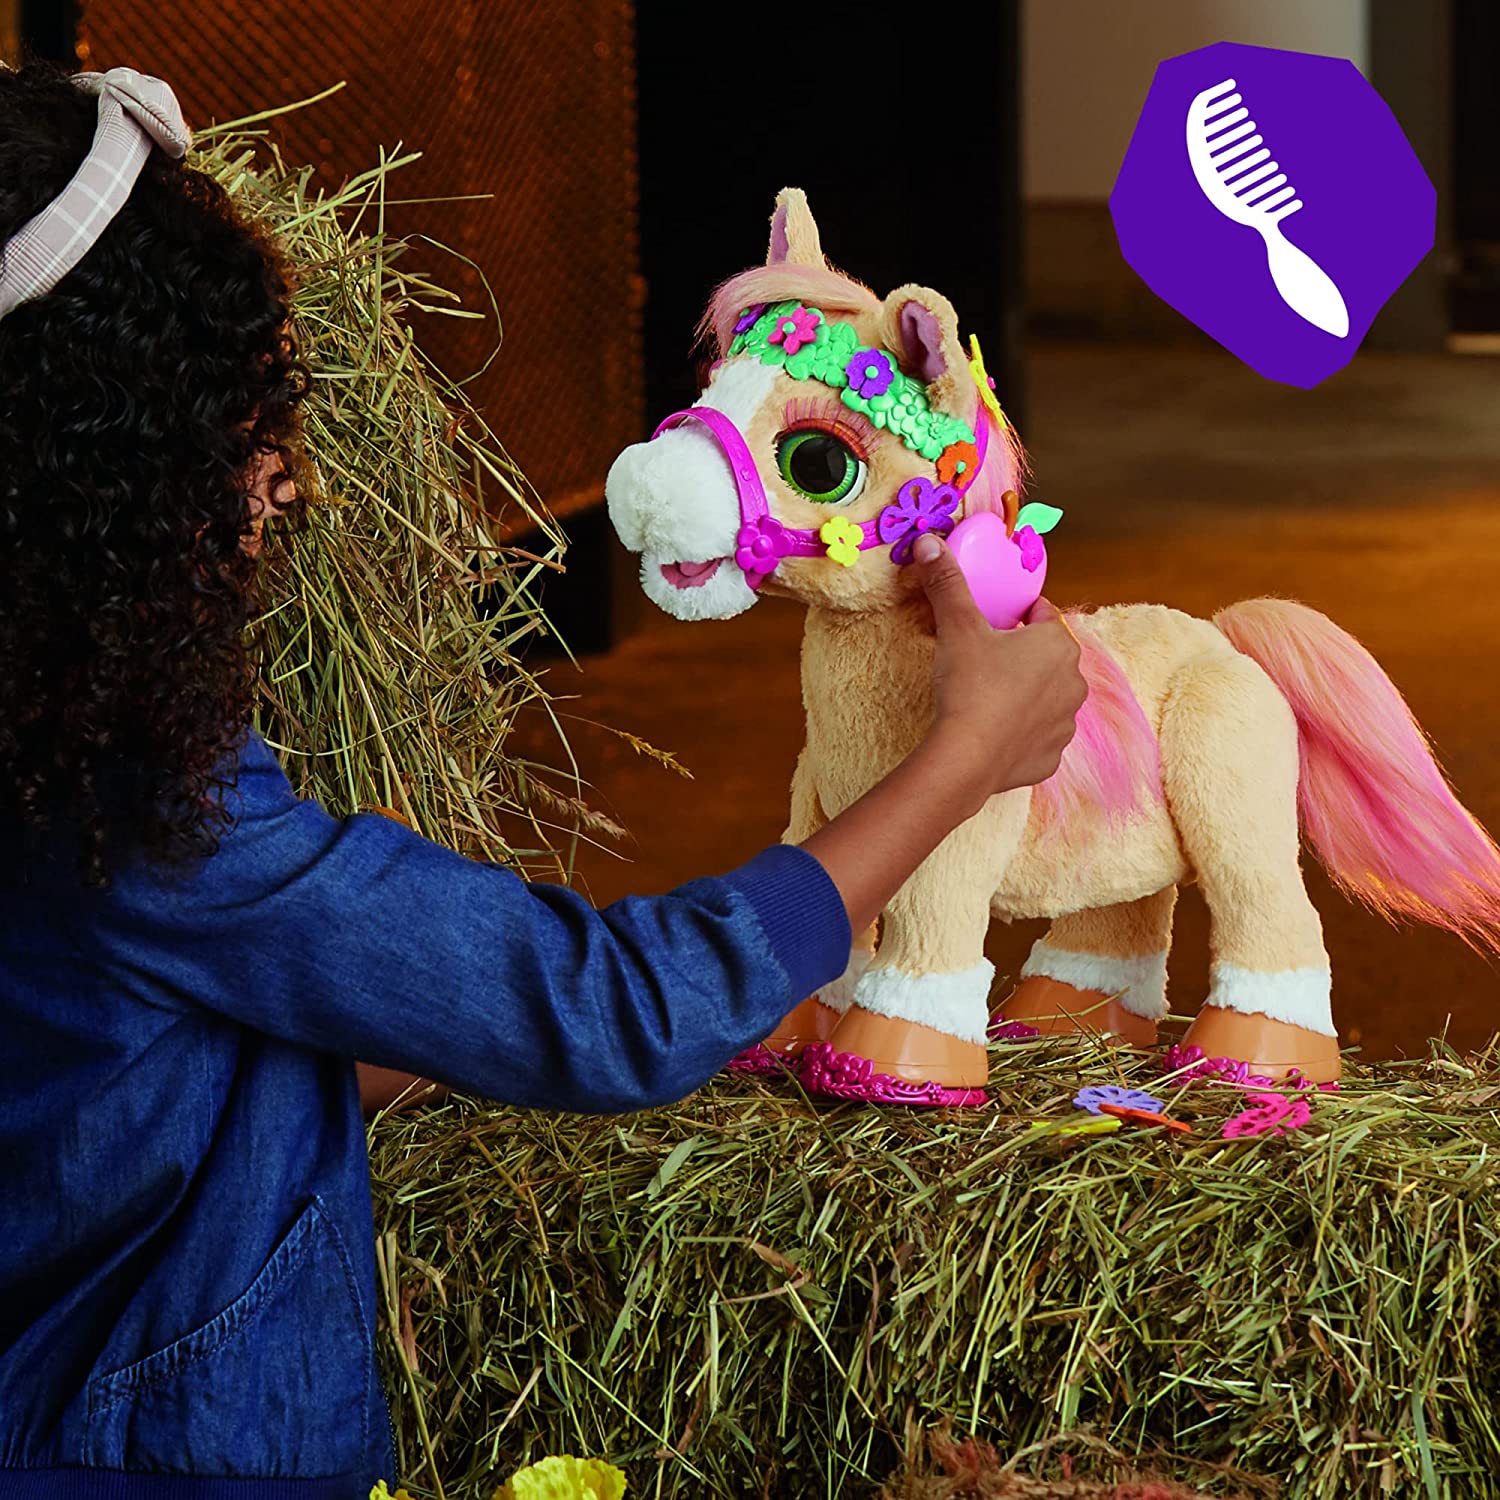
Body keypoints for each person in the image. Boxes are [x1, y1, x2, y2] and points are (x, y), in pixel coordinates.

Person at [0, 61, 1086, 1499]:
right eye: (232, 432)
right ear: (94, 482)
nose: (286, 480)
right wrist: (963, 760)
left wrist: (381, 986)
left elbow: (126, 1069)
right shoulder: (149, 816)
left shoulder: (47, 734)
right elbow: (613, 1011)